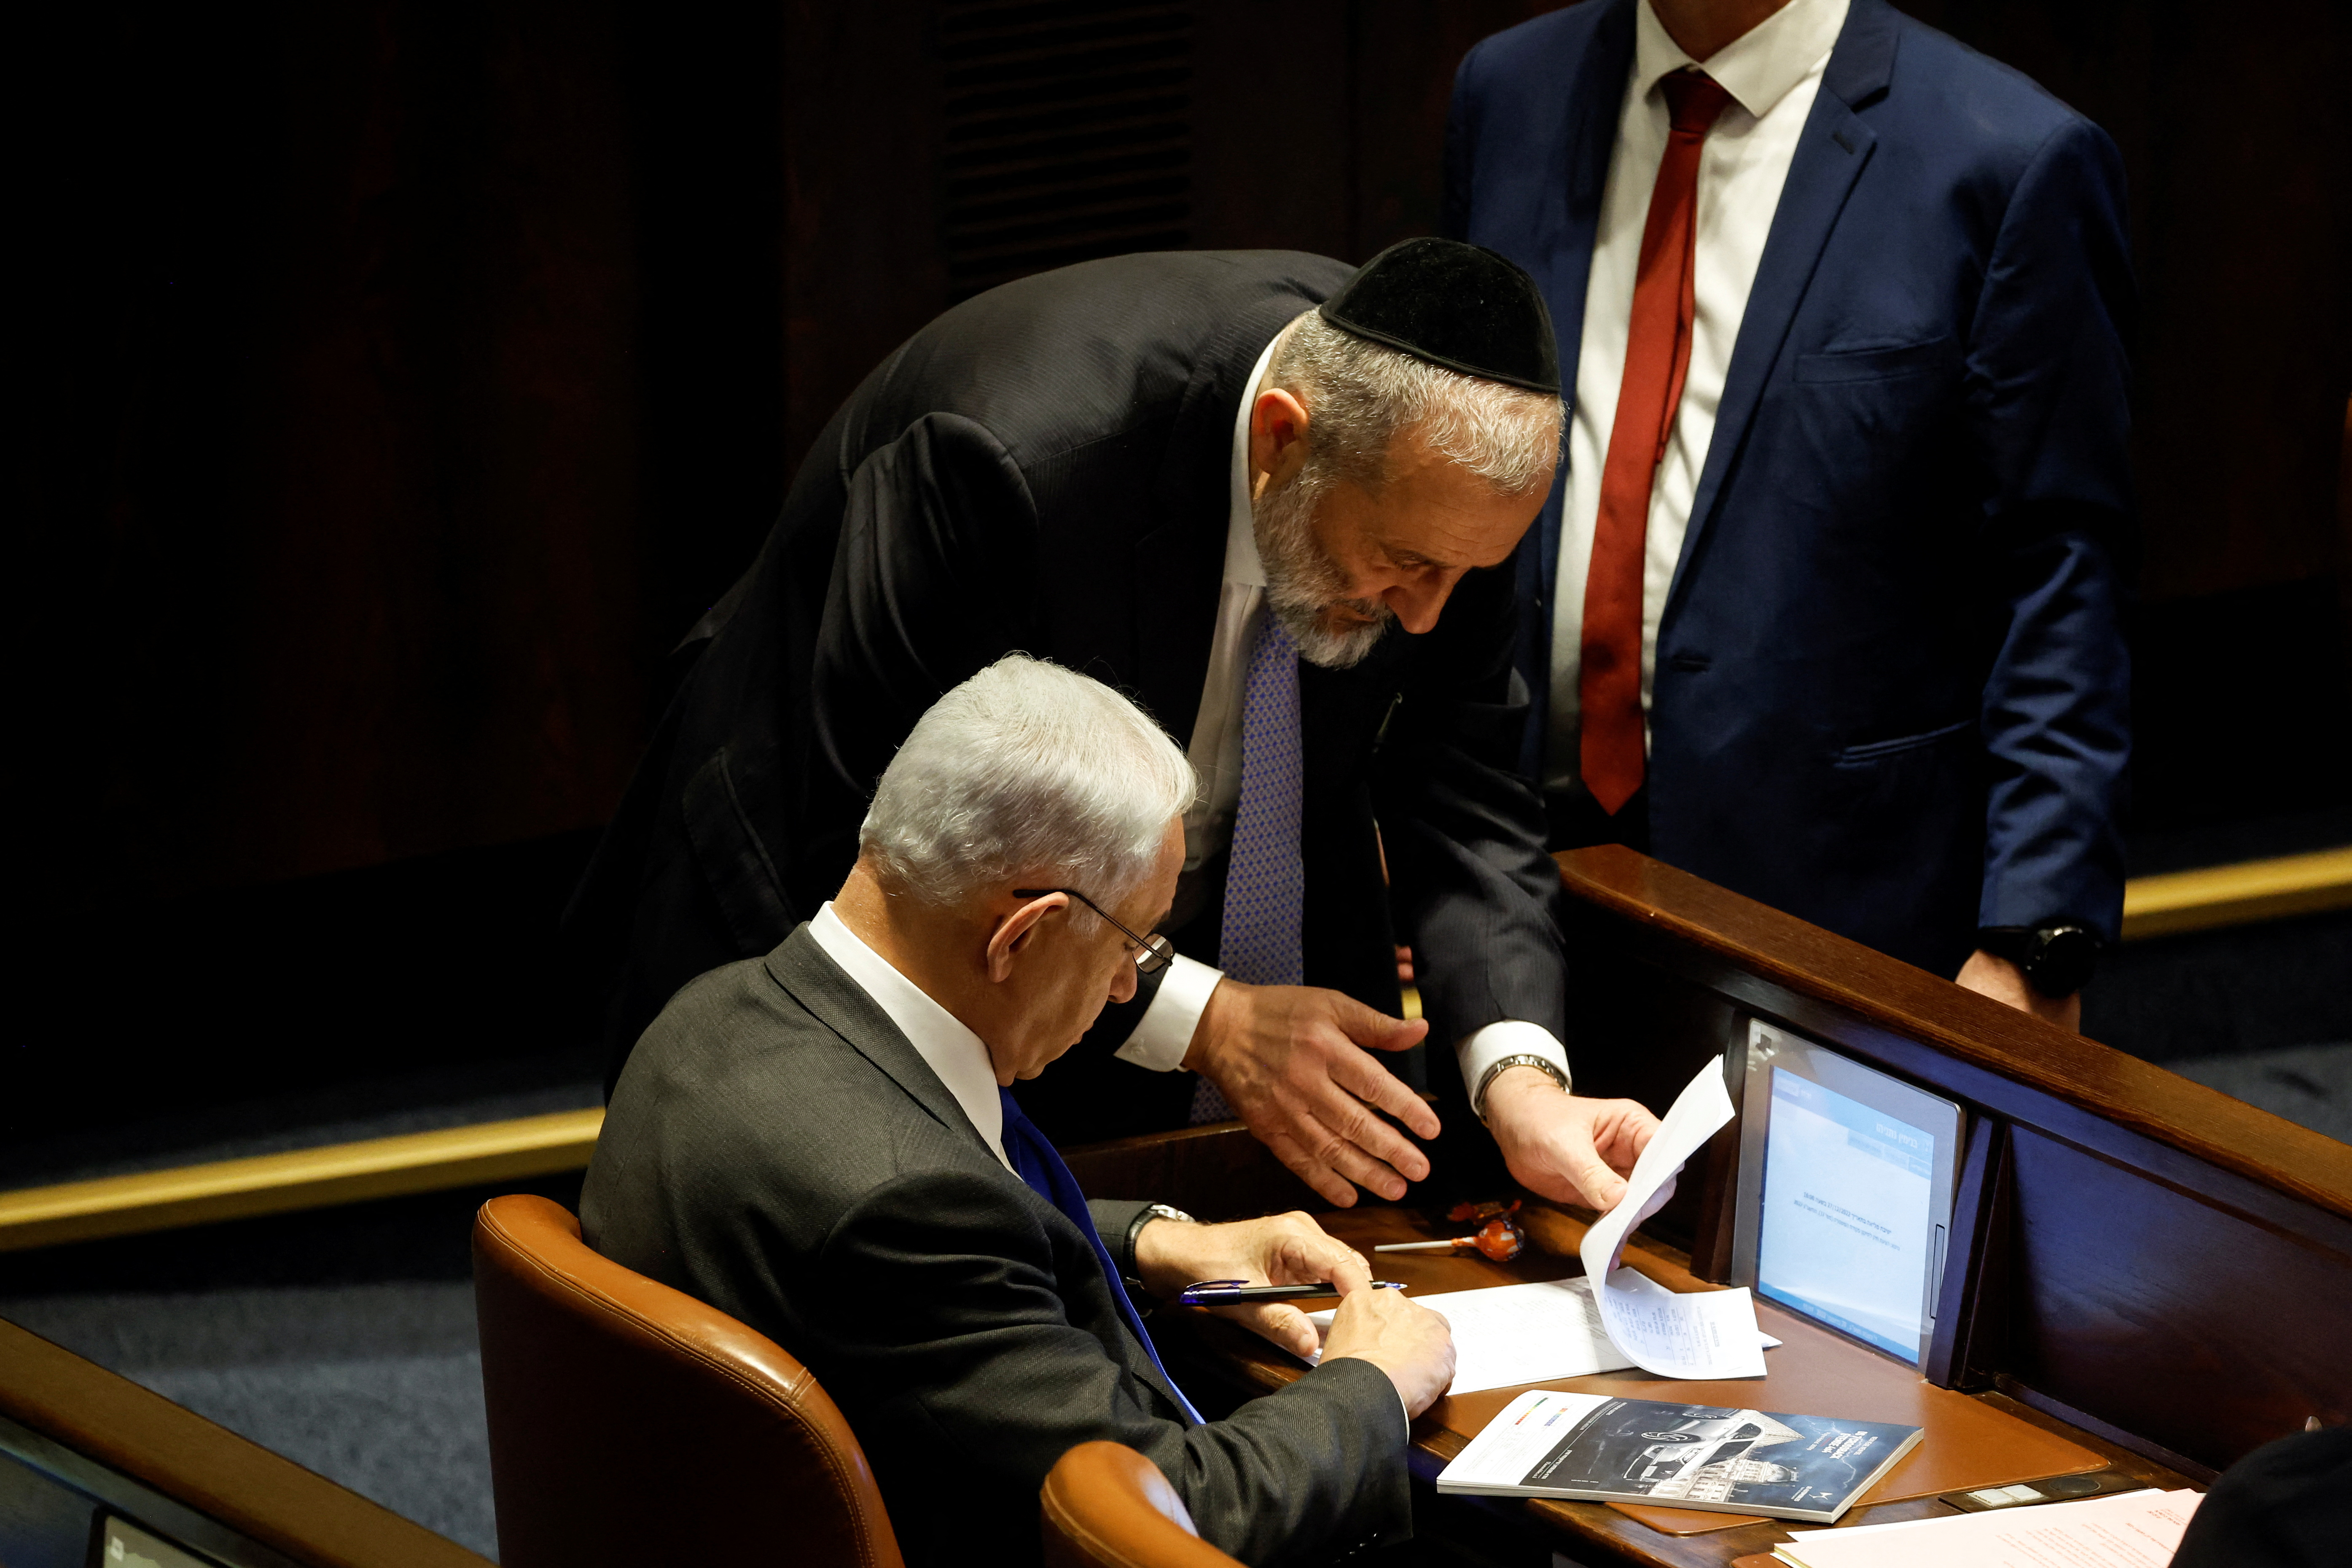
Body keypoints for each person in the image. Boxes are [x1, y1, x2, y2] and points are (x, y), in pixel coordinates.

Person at [565, 239, 1661, 1212]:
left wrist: (1520, 1077)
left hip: (1178, 914)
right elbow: (906, 864)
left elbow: (1462, 779)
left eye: (1459, 578)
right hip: (832, 906)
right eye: (1405, 567)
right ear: (1283, 438)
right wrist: (1208, 1021)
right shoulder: (1006, 462)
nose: (1423, 617)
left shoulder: (1446, 483)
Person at [581, 657, 1456, 1567]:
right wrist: (1372, 1386)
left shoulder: (706, 1019)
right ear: (1023, 934)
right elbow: (1164, 1522)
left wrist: (1153, 1242)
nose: (1126, 988)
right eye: (1131, 943)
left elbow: (910, 1242)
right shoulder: (907, 1208)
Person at [1444, 0, 2133, 1027]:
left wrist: (2032, 941)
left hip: (1837, 907)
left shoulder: (2004, 158)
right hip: (1531, 888)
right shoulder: (1508, 90)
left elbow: (2063, 571)